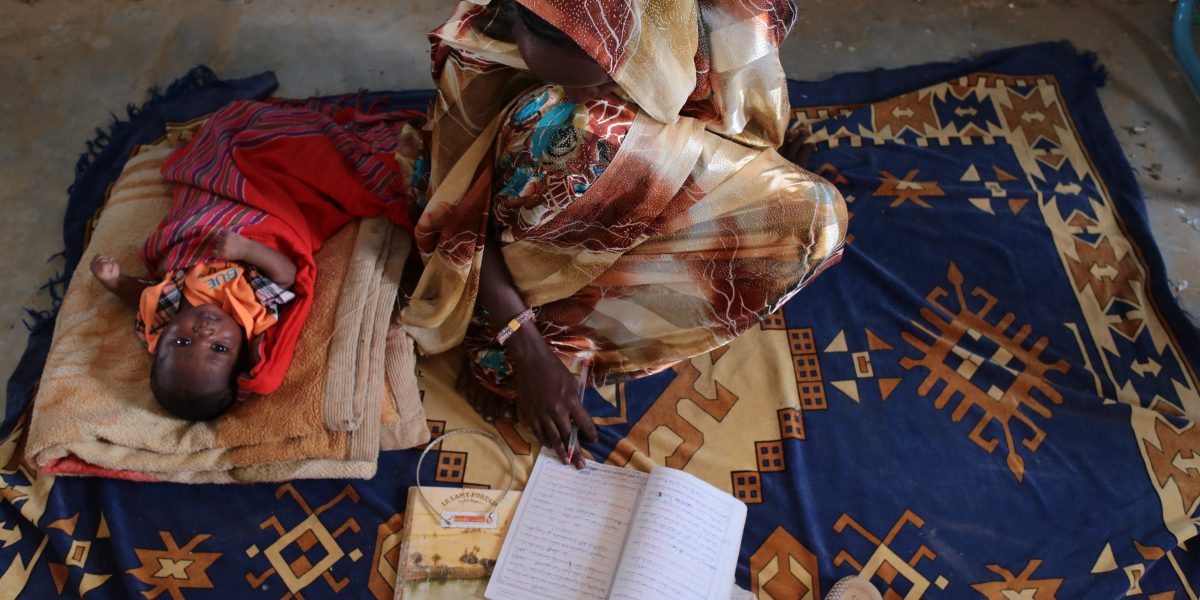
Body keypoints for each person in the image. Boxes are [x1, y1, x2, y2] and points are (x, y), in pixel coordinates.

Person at [404, 0, 848, 468]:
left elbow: (735, 106)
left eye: (603, 77)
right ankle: (539, 329)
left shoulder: (704, 15)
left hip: (657, 168)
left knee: (813, 219)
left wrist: (754, 167)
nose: (582, 97)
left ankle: (611, 222)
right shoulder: (480, 52)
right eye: (561, 79)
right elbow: (452, 212)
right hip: (522, 210)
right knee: (573, 134)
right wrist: (524, 345)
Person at [94, 98, 425, 421]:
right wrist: (246, 251)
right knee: (317, 165)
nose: (204, 333)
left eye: (183, 341)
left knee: (227, 142)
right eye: (219, 350)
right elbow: (286, 273)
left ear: (160, 337)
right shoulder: (250, 313)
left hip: (203, 215)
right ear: (240, 353)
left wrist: (114, 281)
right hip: (259, 220)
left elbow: (140, 295)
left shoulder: (167, 309)